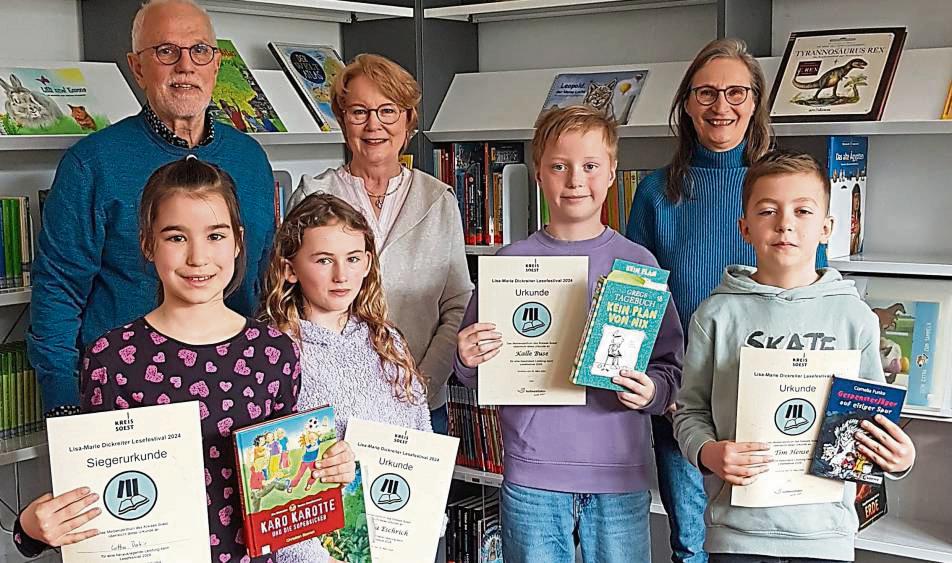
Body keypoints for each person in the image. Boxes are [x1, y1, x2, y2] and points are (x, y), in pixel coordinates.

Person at [13, 158, 356, 562]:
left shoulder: (273, 351)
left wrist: (331, 469)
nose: (197, 257)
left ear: (238, 241)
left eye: (215, 236)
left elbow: (289, 478)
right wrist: (32, 528)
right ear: (147, 243)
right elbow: (96, 490)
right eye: (176, 237)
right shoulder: (113, 359)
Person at [454, 106, 683, 563]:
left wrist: (653, 392)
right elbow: (477, 371)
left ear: (613, 172)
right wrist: (466, 359)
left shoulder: (638, 265)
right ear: (539, 173)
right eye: (559, 165)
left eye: (590, 166)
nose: (575, 179)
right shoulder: (509, 264)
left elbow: (669, 366)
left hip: (619, 472)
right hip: (534, 473)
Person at [28, 0, 276, 417]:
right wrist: (65, 405)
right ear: (137, 67)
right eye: (165, 51)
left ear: (216, 65)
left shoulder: (251, 160)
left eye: (199, 51)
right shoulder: (92, 164)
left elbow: (265, 278)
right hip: (127, 401)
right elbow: (58, 290)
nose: (185, 66)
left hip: (237, 393)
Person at [673, 151, 915, 562]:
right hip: (737, 535)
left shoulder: (854, 317)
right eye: (768, 211)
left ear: (826, 228)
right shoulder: (716, 314)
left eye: (802, 211)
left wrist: (900, 459)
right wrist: (709, 453)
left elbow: (871, 421)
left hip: (825, 536)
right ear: (745, 228)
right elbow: (689, 411)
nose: (785, 223)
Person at [625, 37, 792, 562]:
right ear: (686, 103)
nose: (722, 107)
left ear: (756, 101)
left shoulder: (782, 187)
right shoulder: (656, 191)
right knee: (691, 542)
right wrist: (661, 380)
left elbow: (806, 280)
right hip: (684, 391)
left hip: (769, 384)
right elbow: (637, 294)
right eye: (706, 93)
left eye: (737, 92)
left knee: (764, 537)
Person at [288, 54, 471, 434]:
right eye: (359, 112)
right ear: (341, 120)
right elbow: (288, 299)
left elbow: (457, 304)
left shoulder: (439, 199)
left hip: (417, 398)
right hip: (329, 409)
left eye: (388, 111)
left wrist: (421, 382)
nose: (374, 125)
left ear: (408, 120)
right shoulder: (313, 194)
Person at [261, 194, 431, 563]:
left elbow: (420, 437)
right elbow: (272, 482)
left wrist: (427, 523)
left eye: (353, 259)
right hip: (319, 551)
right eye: (324, 260)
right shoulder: (273, 352)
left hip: (398, 540)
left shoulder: (388, 341)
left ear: (368, 263)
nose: (342, 275)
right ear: (289, 268)